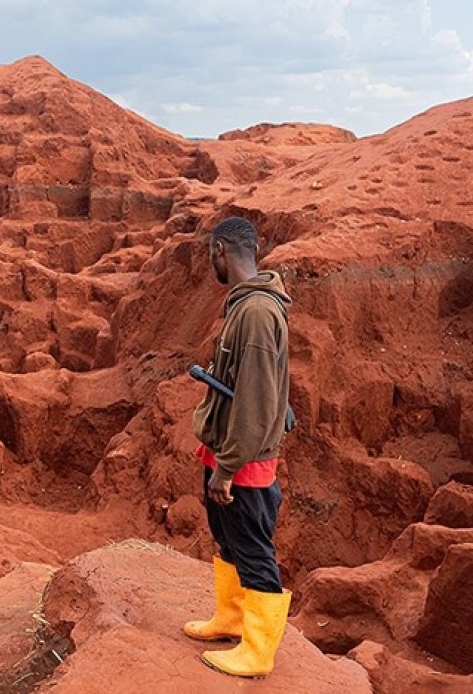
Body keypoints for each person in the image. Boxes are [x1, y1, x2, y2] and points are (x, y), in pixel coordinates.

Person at [182, 216, 292, 678]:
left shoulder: (258, 312)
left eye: (212, 253)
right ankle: (230, 619)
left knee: (252, 547)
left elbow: (256, 398)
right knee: (227, 536)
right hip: (227, 450)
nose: (212, 261)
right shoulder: (245, 306)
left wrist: (227, 467)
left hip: (243, 460)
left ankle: (258, 652)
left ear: (221, 249)